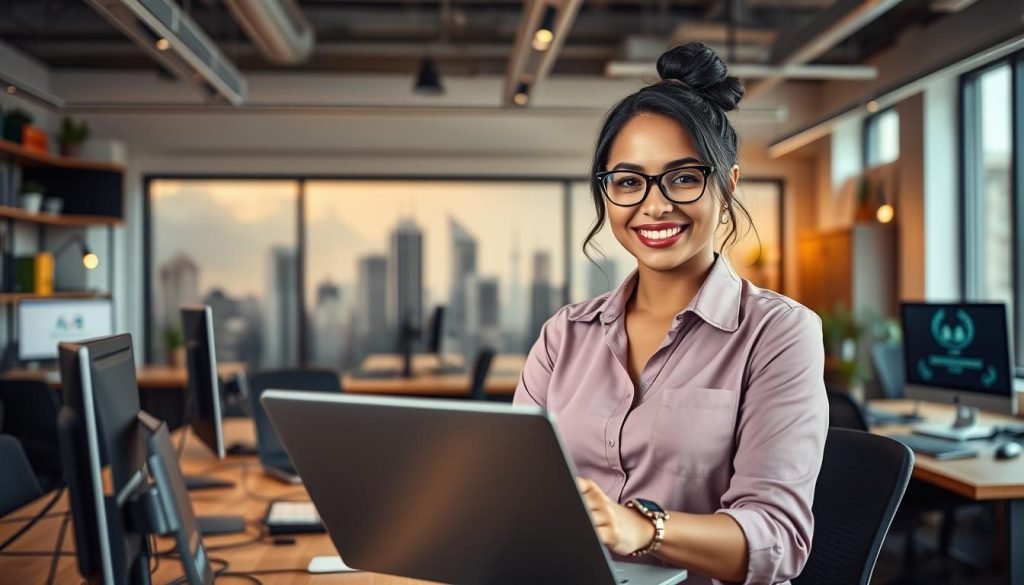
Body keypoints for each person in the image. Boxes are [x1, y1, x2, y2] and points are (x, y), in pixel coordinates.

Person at [513, 42, 827, 585]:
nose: (654, 206)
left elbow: (778, 538)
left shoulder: (779, 333)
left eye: (683, 177)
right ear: (606, 194)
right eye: (629, 181)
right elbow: (509, 484)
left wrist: (641, 528)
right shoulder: (564, 334)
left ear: (727, 185)